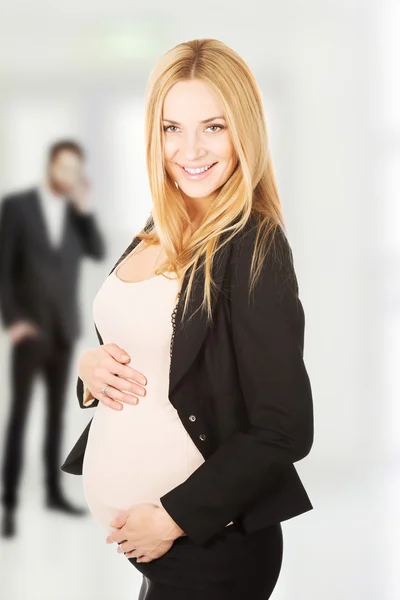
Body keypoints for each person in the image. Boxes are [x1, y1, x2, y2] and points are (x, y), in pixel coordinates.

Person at [61, 38, 314, 600]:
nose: (190, 149)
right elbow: (146, 346)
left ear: (243, 130)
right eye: (172, 127)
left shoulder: (254, 246)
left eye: (213, 127)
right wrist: (89, 371)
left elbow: (284, 427)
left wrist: (174, 517)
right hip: (163, 551)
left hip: (212, 548)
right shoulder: (161, 224)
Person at [0, 140, 106, 537]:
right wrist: (12, 321)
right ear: (50, 166)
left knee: (55, 417)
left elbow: (97, 252)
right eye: (63, 168)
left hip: (64, 329)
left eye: (74, 171)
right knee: (19, 416)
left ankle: (52, 492)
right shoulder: (18, 207)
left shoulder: (77, 214)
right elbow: (3, 267)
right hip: (29, 331)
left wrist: (85, 209)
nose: (67, 177)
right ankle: (8, 503)